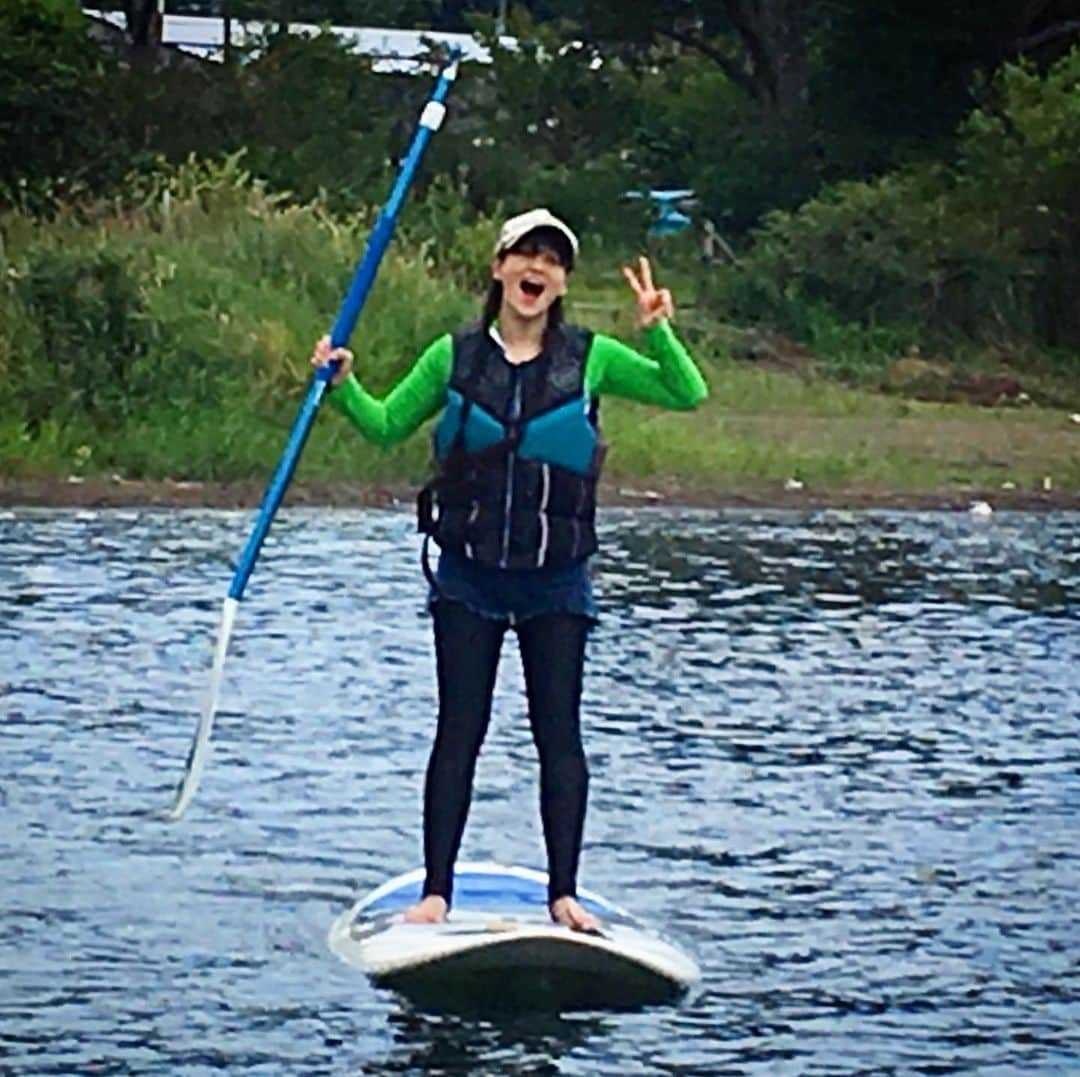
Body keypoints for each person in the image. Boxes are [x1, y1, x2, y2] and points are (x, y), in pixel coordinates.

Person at [311, 208, 708, 932]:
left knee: (559, 733)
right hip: (470, 575)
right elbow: (385, 423)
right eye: (525, 255)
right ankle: (435, 892)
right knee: (458, 729)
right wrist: (342, 384)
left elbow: (688, 393)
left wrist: (657, 329)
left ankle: (565, 893)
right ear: (498, 269)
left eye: (553, 261)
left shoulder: (592, 358)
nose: (538, 269)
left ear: (561, 283)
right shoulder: (453, 356)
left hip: (555, 580)